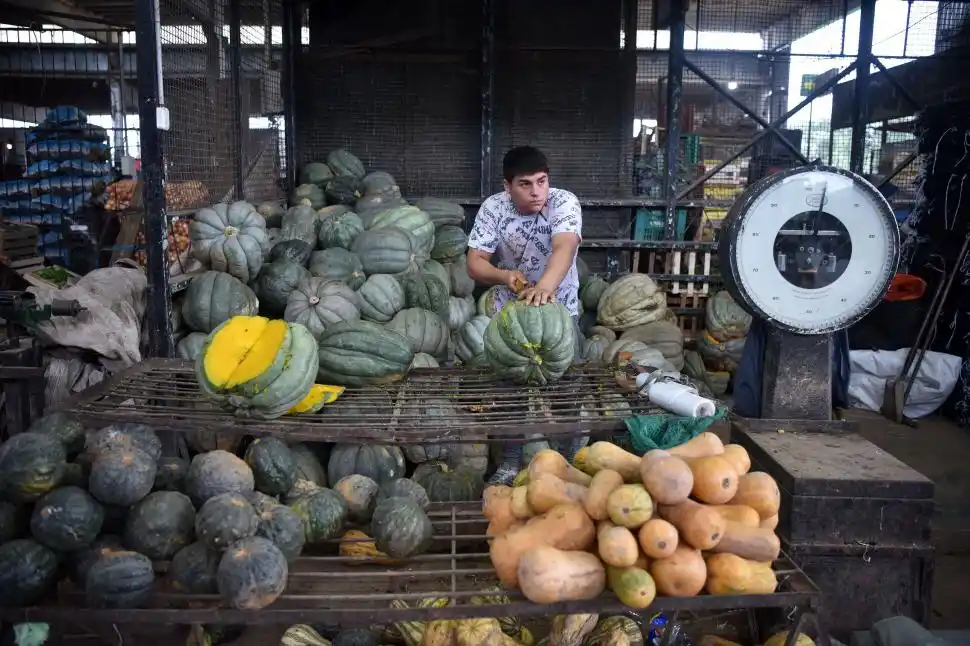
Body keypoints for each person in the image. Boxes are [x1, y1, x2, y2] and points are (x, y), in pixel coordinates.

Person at [465, 145, 584, 485]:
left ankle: (570, 462)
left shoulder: (564, 203)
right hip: (511, 317)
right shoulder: (493, 208)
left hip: (561, 313)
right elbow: (474, 262)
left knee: (567, 391)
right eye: (526, 184)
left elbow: (565, 246)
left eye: (542, 181)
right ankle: (510, 463)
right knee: (508, 394)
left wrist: (544, 287)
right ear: (508, 186)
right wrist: (505, 276)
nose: (536, 192)